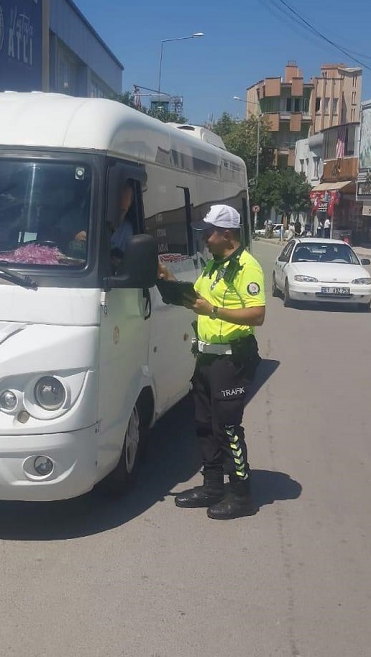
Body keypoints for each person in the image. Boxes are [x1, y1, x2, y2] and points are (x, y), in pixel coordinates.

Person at [158, 204, 265, 520]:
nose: (204, 238)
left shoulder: (247, 267)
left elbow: (257, 314)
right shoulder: (214, 265)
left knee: (228, 428)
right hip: (206, 358)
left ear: (226, 233)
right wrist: (169, 280)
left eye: (208, 232)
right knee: (205, 425)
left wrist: (214, 312)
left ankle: (241, 493)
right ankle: (213, 486)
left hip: (232, 360)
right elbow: (199, 299)